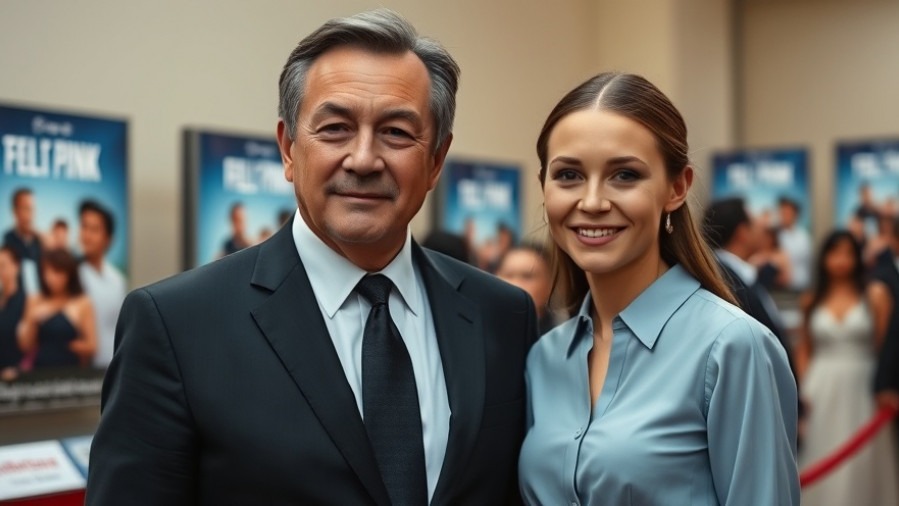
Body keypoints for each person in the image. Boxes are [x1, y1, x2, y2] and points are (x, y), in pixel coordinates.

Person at [87, 9, 537, 505]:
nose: (364, 159)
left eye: (396, 132)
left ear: (435, 161)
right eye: (336, 128)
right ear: (287, 148)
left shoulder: (502, 314)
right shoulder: (175, 325)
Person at [517, 72, 799, 505]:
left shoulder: (731, 348)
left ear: (677, 187)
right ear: (544, 188)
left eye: (624, 175)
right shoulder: (545, 357)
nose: (591, 202)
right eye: (569, 174)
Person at [797, 230, 898, 505]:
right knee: (822, 450)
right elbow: (805, 347)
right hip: (821, 385)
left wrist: (886, 385)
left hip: (863, 384)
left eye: (848, 253)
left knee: (865, 458)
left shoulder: (875, 295)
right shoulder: (811, 298)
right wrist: (805, 387)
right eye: (834, 252)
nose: (841, 260)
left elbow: (885, 347)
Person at [17, 248, 97, 368]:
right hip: (39, 373)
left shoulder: (82, 302)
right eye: (46, 272)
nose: (51, 278)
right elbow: (24, 345)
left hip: (69, 372)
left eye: (57, 272)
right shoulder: (35, 300)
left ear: (69, 274)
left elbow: (92, 345)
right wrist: (32, 320)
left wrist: (65, 344)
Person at [77, 200, 127, 369]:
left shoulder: (118, 280)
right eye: (84, 227)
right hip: (78, 372)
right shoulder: (72, 275)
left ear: (108, 239)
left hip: (111, 366)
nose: (87, 235)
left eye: (94, 229)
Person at [495, 242, 559, 335]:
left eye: (527, 276)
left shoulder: (562, 341)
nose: (516, 284)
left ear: (550, 285)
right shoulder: (479, 334)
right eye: (508, 275)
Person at [2, 188, 42, 295]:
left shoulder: (41, 240)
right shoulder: (9, 240)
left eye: (32, 209)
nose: (30, 214)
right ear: (14, 211)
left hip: (40, 300)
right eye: (25, 208)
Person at [0, 246, 26, 381]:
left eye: (3, 265)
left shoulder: (26, 301)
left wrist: (19, 369)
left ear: (16, 266)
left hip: (18, 377)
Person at [777, 196, 812, 291]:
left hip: (802, 286)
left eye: (788, 213)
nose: (784, 216)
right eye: (782, 213)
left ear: (795, 214)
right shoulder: (775, 236)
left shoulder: (803, 236)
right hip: (781, 289)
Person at [750, 226, 792, 291]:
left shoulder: (781, 255)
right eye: (763, 238)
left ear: (773, 238)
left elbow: (787, 277)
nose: (764, 240)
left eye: (767, 238)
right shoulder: (755, 254)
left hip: (777, 291)